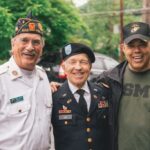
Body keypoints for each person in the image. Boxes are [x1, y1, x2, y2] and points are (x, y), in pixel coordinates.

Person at [0, 12, 53, 150]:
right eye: (24, 40)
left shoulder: (43, 77)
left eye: (36, 42)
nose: (30, 47)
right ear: (13, 43)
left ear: (42, 47)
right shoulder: (2, 79)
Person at [96, 22, 150, 150]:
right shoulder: (109, 79)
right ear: (123, 48)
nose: (137, 50)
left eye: (142, 44)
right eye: (131, 46)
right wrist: (56, 88)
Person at [51, 43, 111, 150]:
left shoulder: (104, 93)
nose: (78, 67)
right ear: (64, 67)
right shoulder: (53, 98)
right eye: (72, 62)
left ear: (90, 67)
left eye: (83, 62)